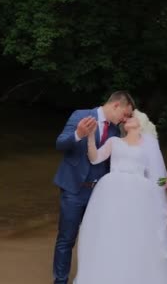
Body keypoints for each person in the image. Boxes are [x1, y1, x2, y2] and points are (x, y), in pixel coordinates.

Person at [73, 109, 167, 284]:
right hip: (111, 191)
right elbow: (95, 159)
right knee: (111, 233)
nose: (127, 119)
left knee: (136, 236)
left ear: (140, 123)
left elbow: (155, 175)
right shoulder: (114, 141)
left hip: (139, 195)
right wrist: (90, 137)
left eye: (132, 117)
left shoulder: (149, 147)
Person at [52, 91, 135, 284]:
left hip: (100, 194)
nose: (125, 119)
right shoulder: (80, 115)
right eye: (125, 114)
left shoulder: (117, 130)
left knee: (97, 239)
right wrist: (78, 134)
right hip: (74, 189)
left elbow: (123, 160)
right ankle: (60, 281)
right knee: (66, 239)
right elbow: (60, 144)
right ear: (116, 105)